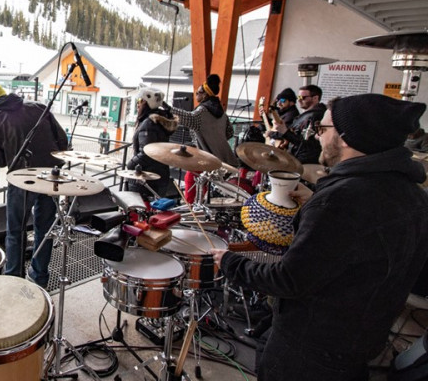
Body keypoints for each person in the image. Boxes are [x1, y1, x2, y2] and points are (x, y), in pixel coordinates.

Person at [212, 94, 428, 380]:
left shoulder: (340, 202)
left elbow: (289, 280)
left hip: (309, 351)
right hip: (360, 342)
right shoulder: (414, 195)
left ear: (347, 138)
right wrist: (316, 200)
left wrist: (229, 262)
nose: (318, 136)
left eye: (323, 129)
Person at [0, 81, 68, 288]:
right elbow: (62, 140)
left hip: (21, 179)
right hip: (50, 177)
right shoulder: (37, 107)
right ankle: (39, 277)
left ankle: (14, 277)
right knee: (44, 229)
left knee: (15, 231)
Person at [167, 74, 238, 202]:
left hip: (207, 156)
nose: (196, 95)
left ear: (204, 95)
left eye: (198, 92)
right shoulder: (221, 113)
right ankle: (201, 203)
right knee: (204, 181)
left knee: (191, 177)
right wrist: (214, 138)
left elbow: (187, 118)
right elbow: (230, 132)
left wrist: (167, 109)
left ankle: (191, 207)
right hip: (223, 157)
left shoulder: (202, 111)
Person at [126, 88, 178, 200]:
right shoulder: (159, 121)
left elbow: (148, 152)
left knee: (140, 211)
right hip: (160, 175)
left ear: (147, 103)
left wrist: (130, 165)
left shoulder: (149, 124)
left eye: (140, 100)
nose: (137, 104)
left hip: (147, 177)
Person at [269, 85, 326, 164]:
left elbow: (307, 145)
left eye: (303, 97)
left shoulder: (315, 116)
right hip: (296, 158)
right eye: (298, 97)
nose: (299, 100)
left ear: (315, 98)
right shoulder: (306, 115)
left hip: (304, 162)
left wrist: (285, 132)